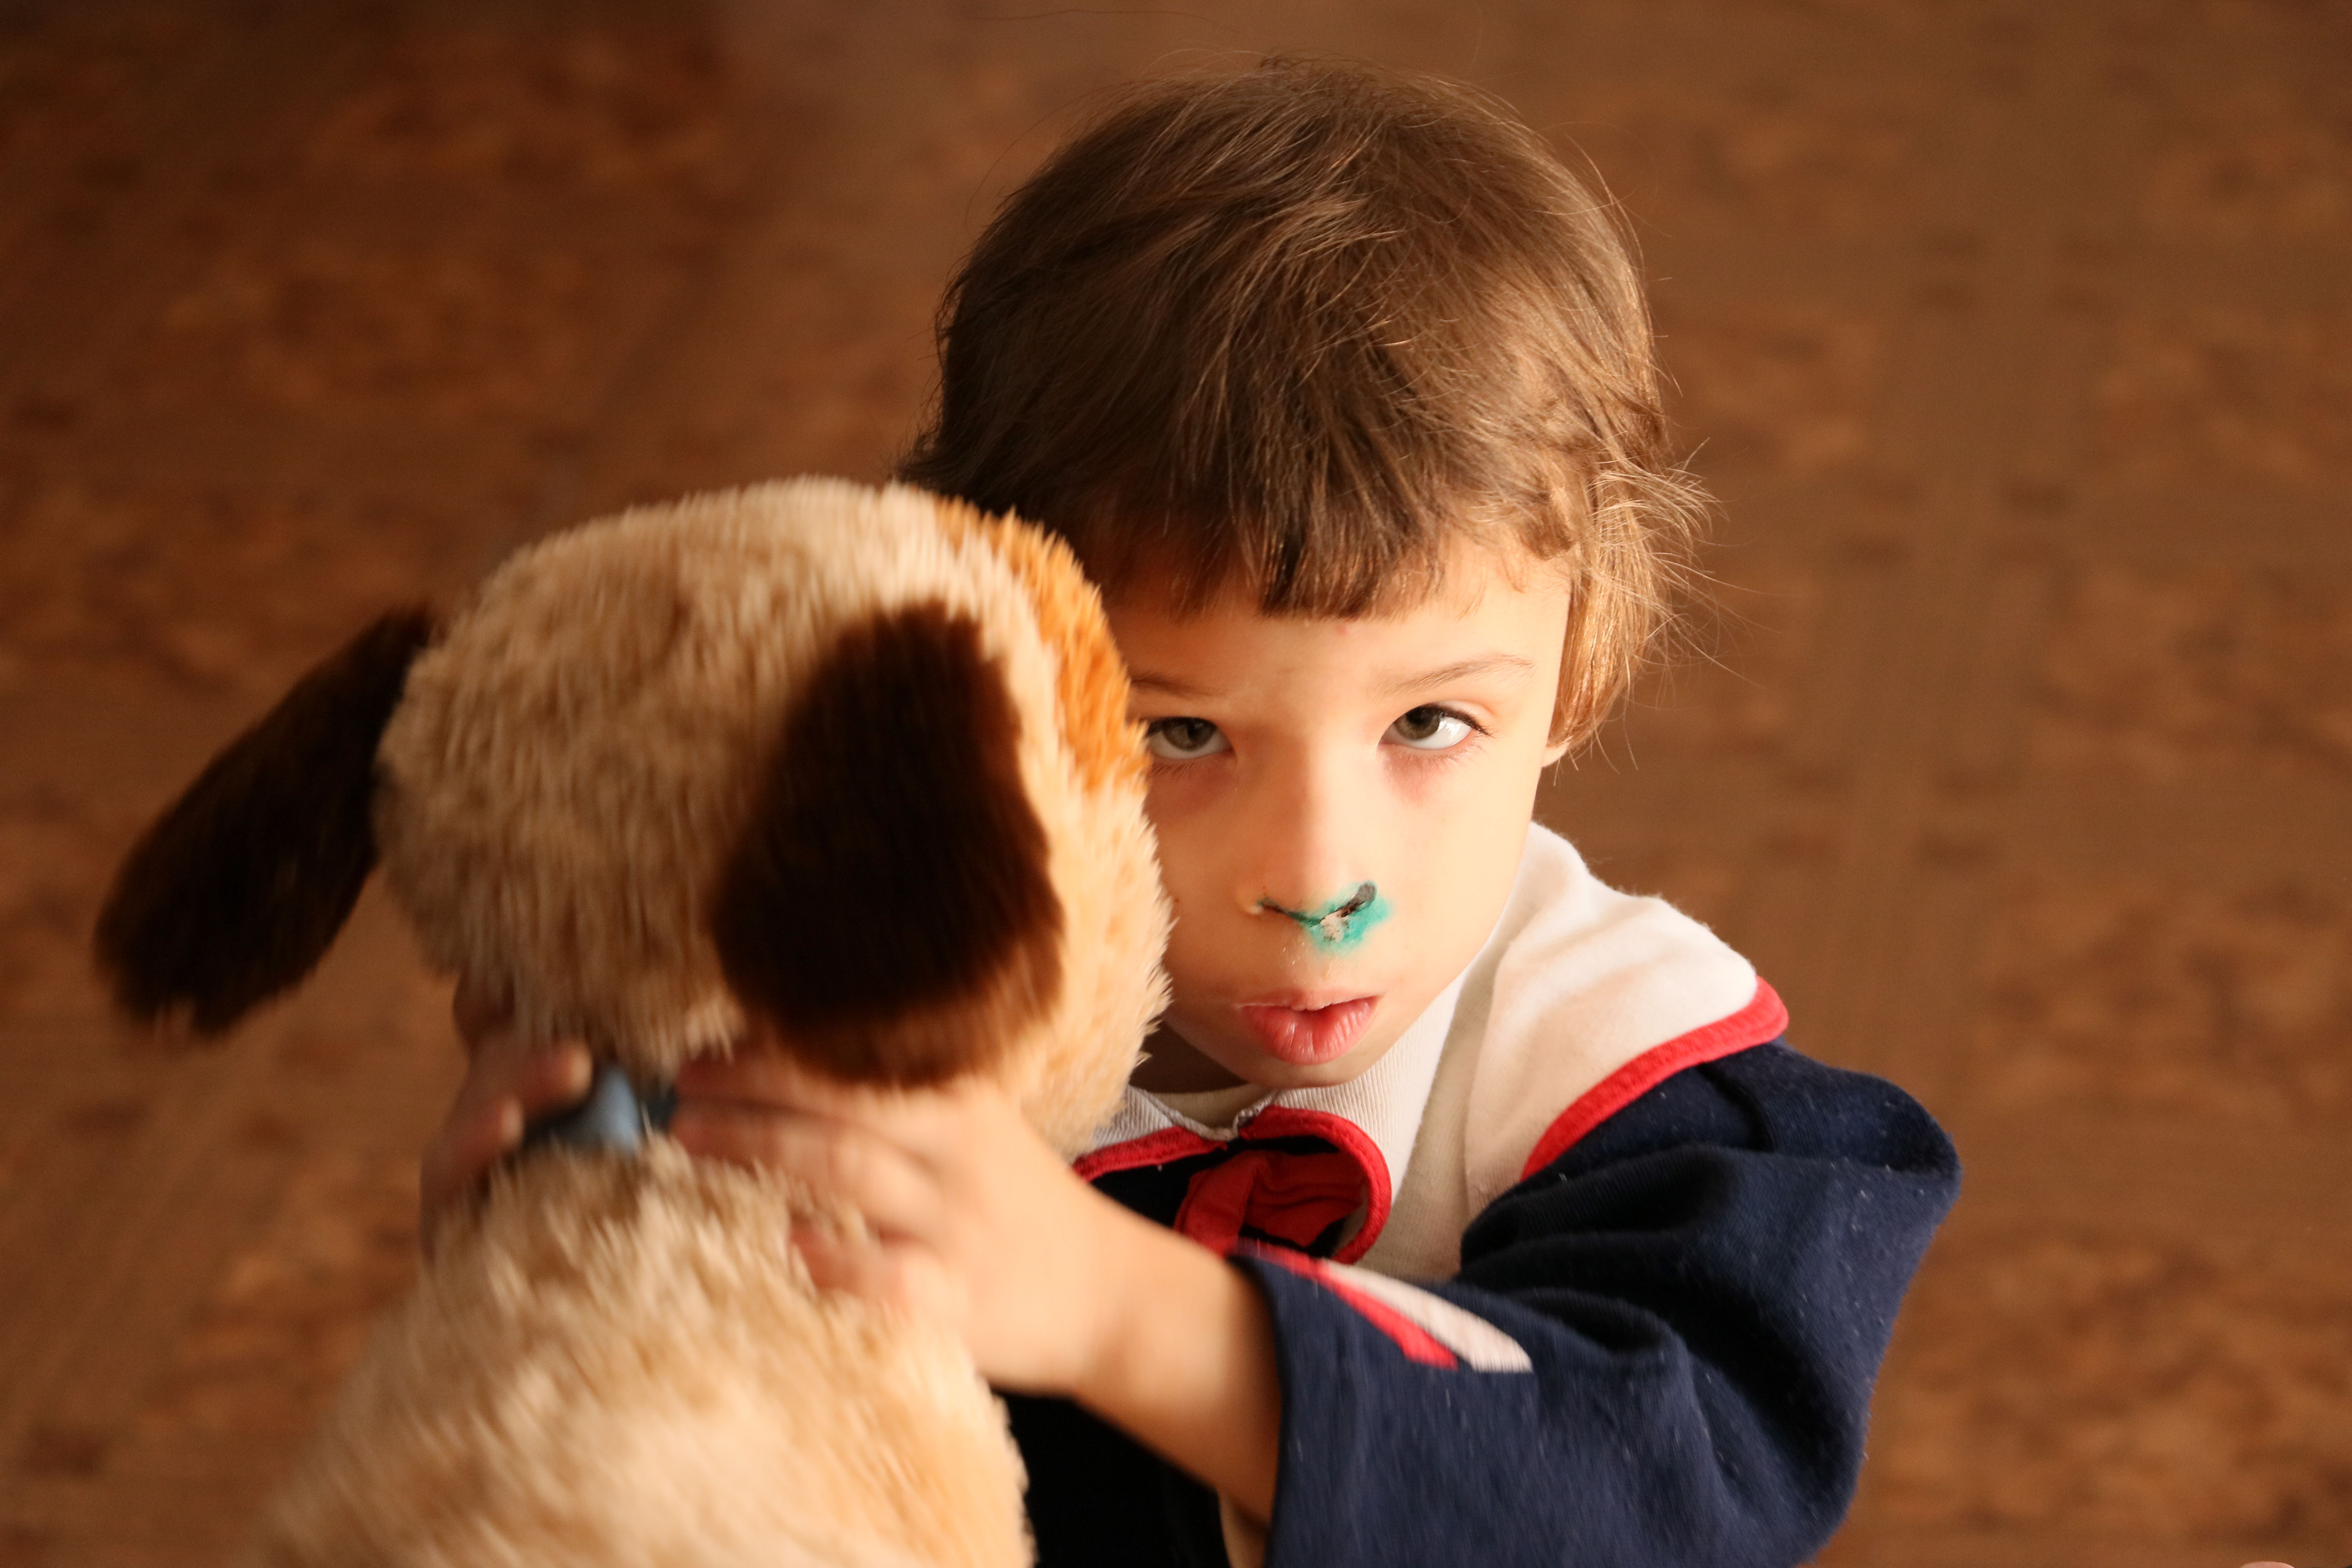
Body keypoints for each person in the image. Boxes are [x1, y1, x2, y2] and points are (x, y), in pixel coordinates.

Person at [421, 58, 1959, 1568]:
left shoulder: (1633, 1072)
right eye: (1184, 733)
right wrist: (562, 1235)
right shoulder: (859, 1001)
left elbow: (1657, 1491)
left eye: (1428, 724)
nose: (1320, 881)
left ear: (1582, 673)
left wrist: (1110, 1307)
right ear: (994, 664)